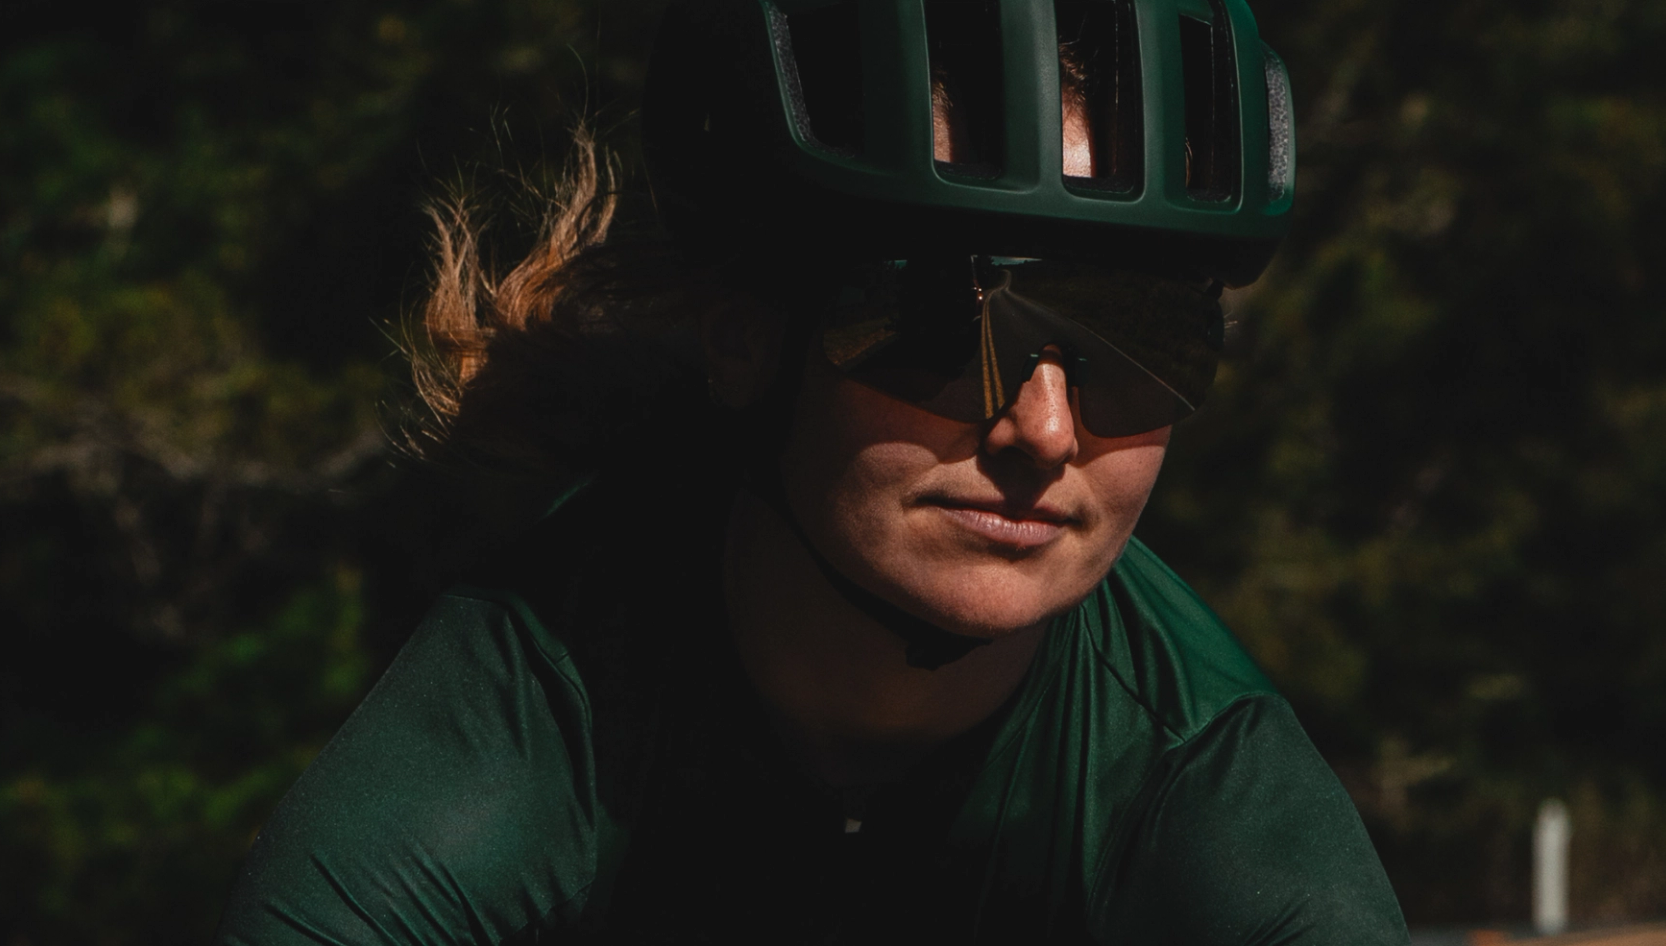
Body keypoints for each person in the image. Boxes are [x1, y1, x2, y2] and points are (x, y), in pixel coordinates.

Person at [216, 0, 1408, 943]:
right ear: (746, 337)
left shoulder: (1210, 792)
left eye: (1140, 344)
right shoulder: (533, 701)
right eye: (946, 320)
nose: (1045, 429)